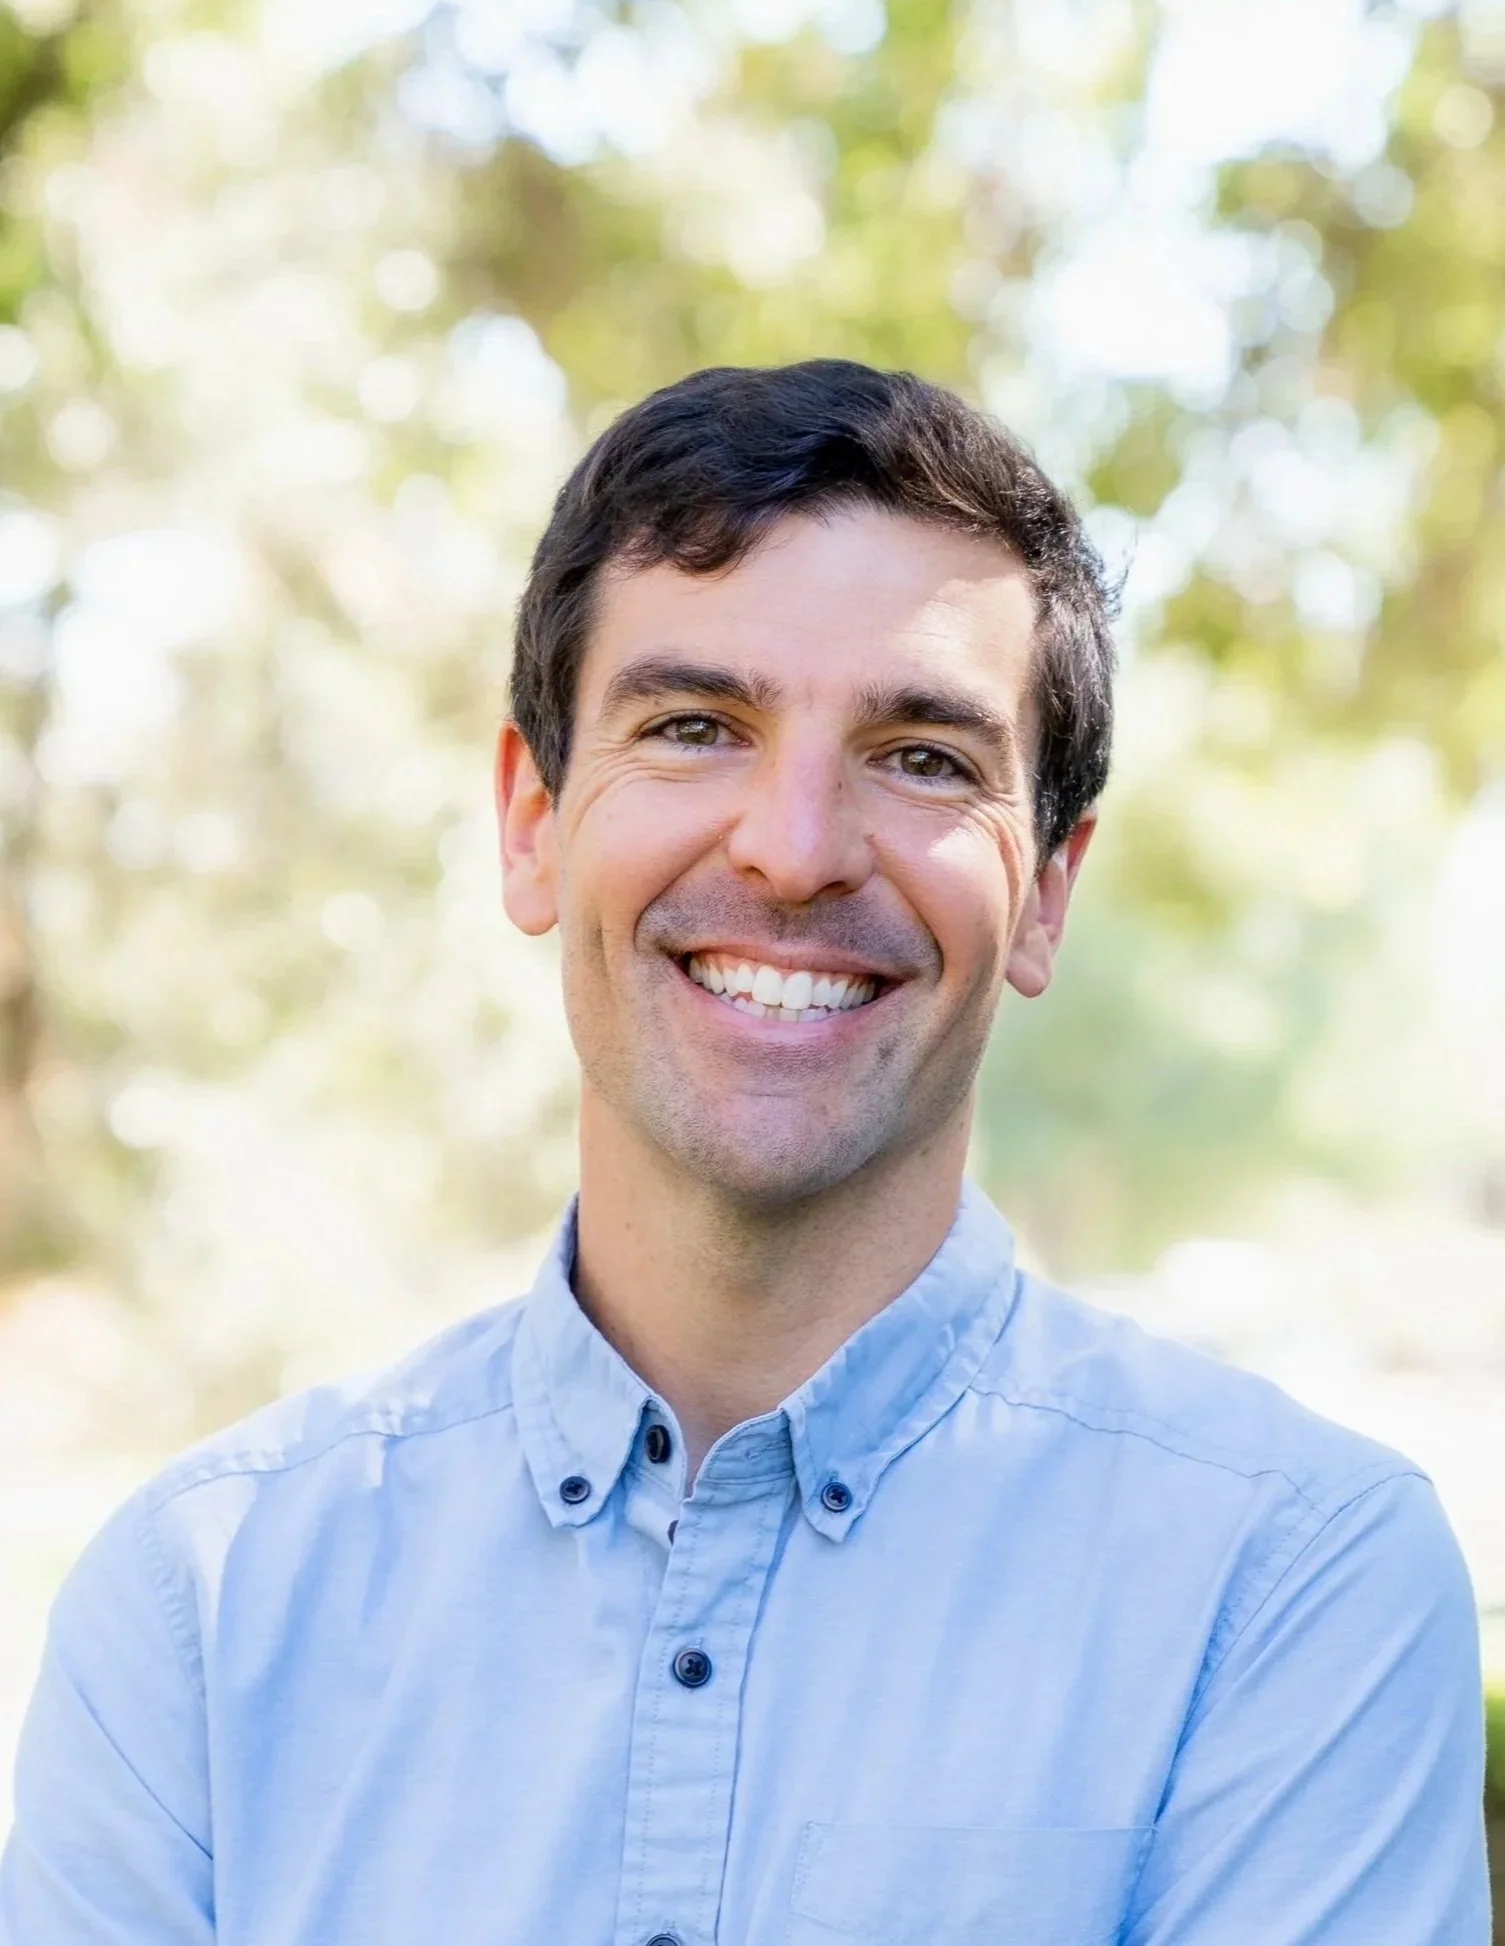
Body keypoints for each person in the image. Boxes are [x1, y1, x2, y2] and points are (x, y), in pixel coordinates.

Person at [0, 359, 1489, 1945]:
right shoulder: (201, 1607)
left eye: (923, 756)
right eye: (696, 726)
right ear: (531, 821)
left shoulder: (1291, 1586)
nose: (791, 849)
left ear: (1047, 888)